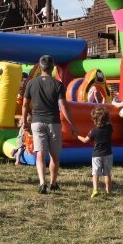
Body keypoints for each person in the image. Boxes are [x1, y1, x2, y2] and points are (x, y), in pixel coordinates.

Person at [21, 54, 78, 194]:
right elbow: (64, 107)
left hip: (37, 121)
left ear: (40, 67)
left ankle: (42, 183)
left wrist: (24, 121)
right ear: (53, 68)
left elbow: (24, 105)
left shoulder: (31, 83)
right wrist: (72, 124)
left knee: (40, 153)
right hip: (53, 122)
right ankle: (53, 183)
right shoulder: (58, 84)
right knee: (54, 155)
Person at [77, 106, 114, 197]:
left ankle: (95, 190)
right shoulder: (109, 127)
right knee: (107, 174)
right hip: (108, 154)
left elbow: (85, 140)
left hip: (97, 155)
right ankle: (108, 191)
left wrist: (76, 135)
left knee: (95, 173)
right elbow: (109, 123)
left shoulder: (93, 131)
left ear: (94, 119)